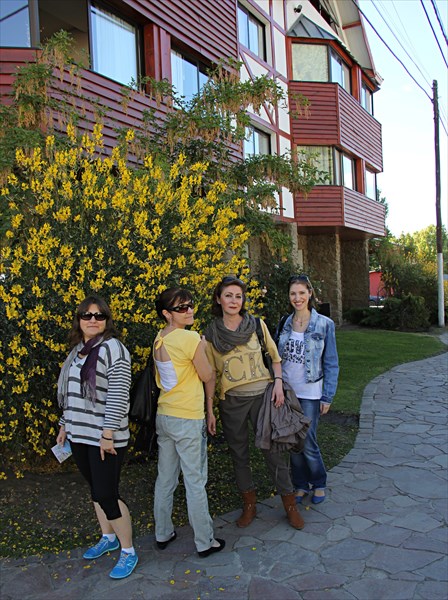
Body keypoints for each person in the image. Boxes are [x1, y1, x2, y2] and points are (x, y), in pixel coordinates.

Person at [204, 276, 304, 530]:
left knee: (274, 452)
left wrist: (278, 383)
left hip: (263, 398)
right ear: (218, 299)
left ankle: (290, 504)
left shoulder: (257, 325)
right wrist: (209, 410)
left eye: (238, 296)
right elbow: (210, 375)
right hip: (232, 402)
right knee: (239, 455)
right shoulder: (210, 335)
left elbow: (275, 358)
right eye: (228, 295)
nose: (234, 301)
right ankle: (249, 505)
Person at [56, 294, 137, 579]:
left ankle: (128, 550)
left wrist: (108, 434)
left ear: (107, 320)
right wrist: (64, 424)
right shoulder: (78, 351)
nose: (93, 320)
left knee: (106, 494)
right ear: (79, 320)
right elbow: (71, 393)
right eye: (87, 315)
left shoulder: (114, 349)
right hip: (79, 434)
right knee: (95, 491)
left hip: (105, 437)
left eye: (99, 315)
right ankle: (108, 537)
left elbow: (118, 395)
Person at [153, 287, 225, 557]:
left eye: (190, 305)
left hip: (165, 416)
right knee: (195, 481)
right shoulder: (190, 338)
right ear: (167, 313)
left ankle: (163, 532)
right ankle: (205, 541)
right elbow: (207, 375)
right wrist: (202, 348)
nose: (189, 310)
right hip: (187, 417)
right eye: (181, 308)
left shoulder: (159, 337)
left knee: (165, 478)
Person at [276, 274, 339, 505]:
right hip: (288, 392)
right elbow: (276, 358)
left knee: (309, 442)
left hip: (311, 394)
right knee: (294, 443)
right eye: (293, 293)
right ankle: (301, 485)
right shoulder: (284, 322)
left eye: (302, 293)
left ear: (310, 293)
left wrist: (327, 396)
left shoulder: (324, 324)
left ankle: (319, 483)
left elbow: (331, 362)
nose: (297, 298)